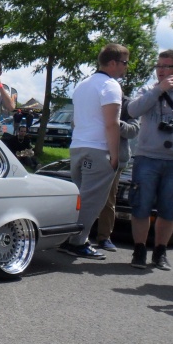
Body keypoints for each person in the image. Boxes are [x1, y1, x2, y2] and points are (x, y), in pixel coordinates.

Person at [58, 43, 125, 259]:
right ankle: (76, 242)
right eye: (124, 63)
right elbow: (112, 124)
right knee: (92, 201)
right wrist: (115, 156)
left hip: (78, 146)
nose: (126, 67)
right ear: (113, 63)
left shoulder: (83, 84)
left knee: (80, 198)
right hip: (97, 149)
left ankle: (72, 238)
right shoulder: (110, 86)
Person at [126, 49, 173, 270]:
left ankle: (160, 252)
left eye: (167, 66)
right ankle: (139, 251)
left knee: (169, 209)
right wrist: (159, 90)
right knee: (141, 206)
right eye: (158, 66)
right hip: (147, 157)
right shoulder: (148, 90)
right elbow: (132, 109)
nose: (161, 70)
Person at [94, 97, 140, 252]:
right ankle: (79, 236)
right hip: (93, 154)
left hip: (115, 159)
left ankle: (104, 237)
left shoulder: (128, 105)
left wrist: (116, 123)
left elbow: (134, 130)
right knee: (85, 197)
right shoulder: (95, 100)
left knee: (108, 200)